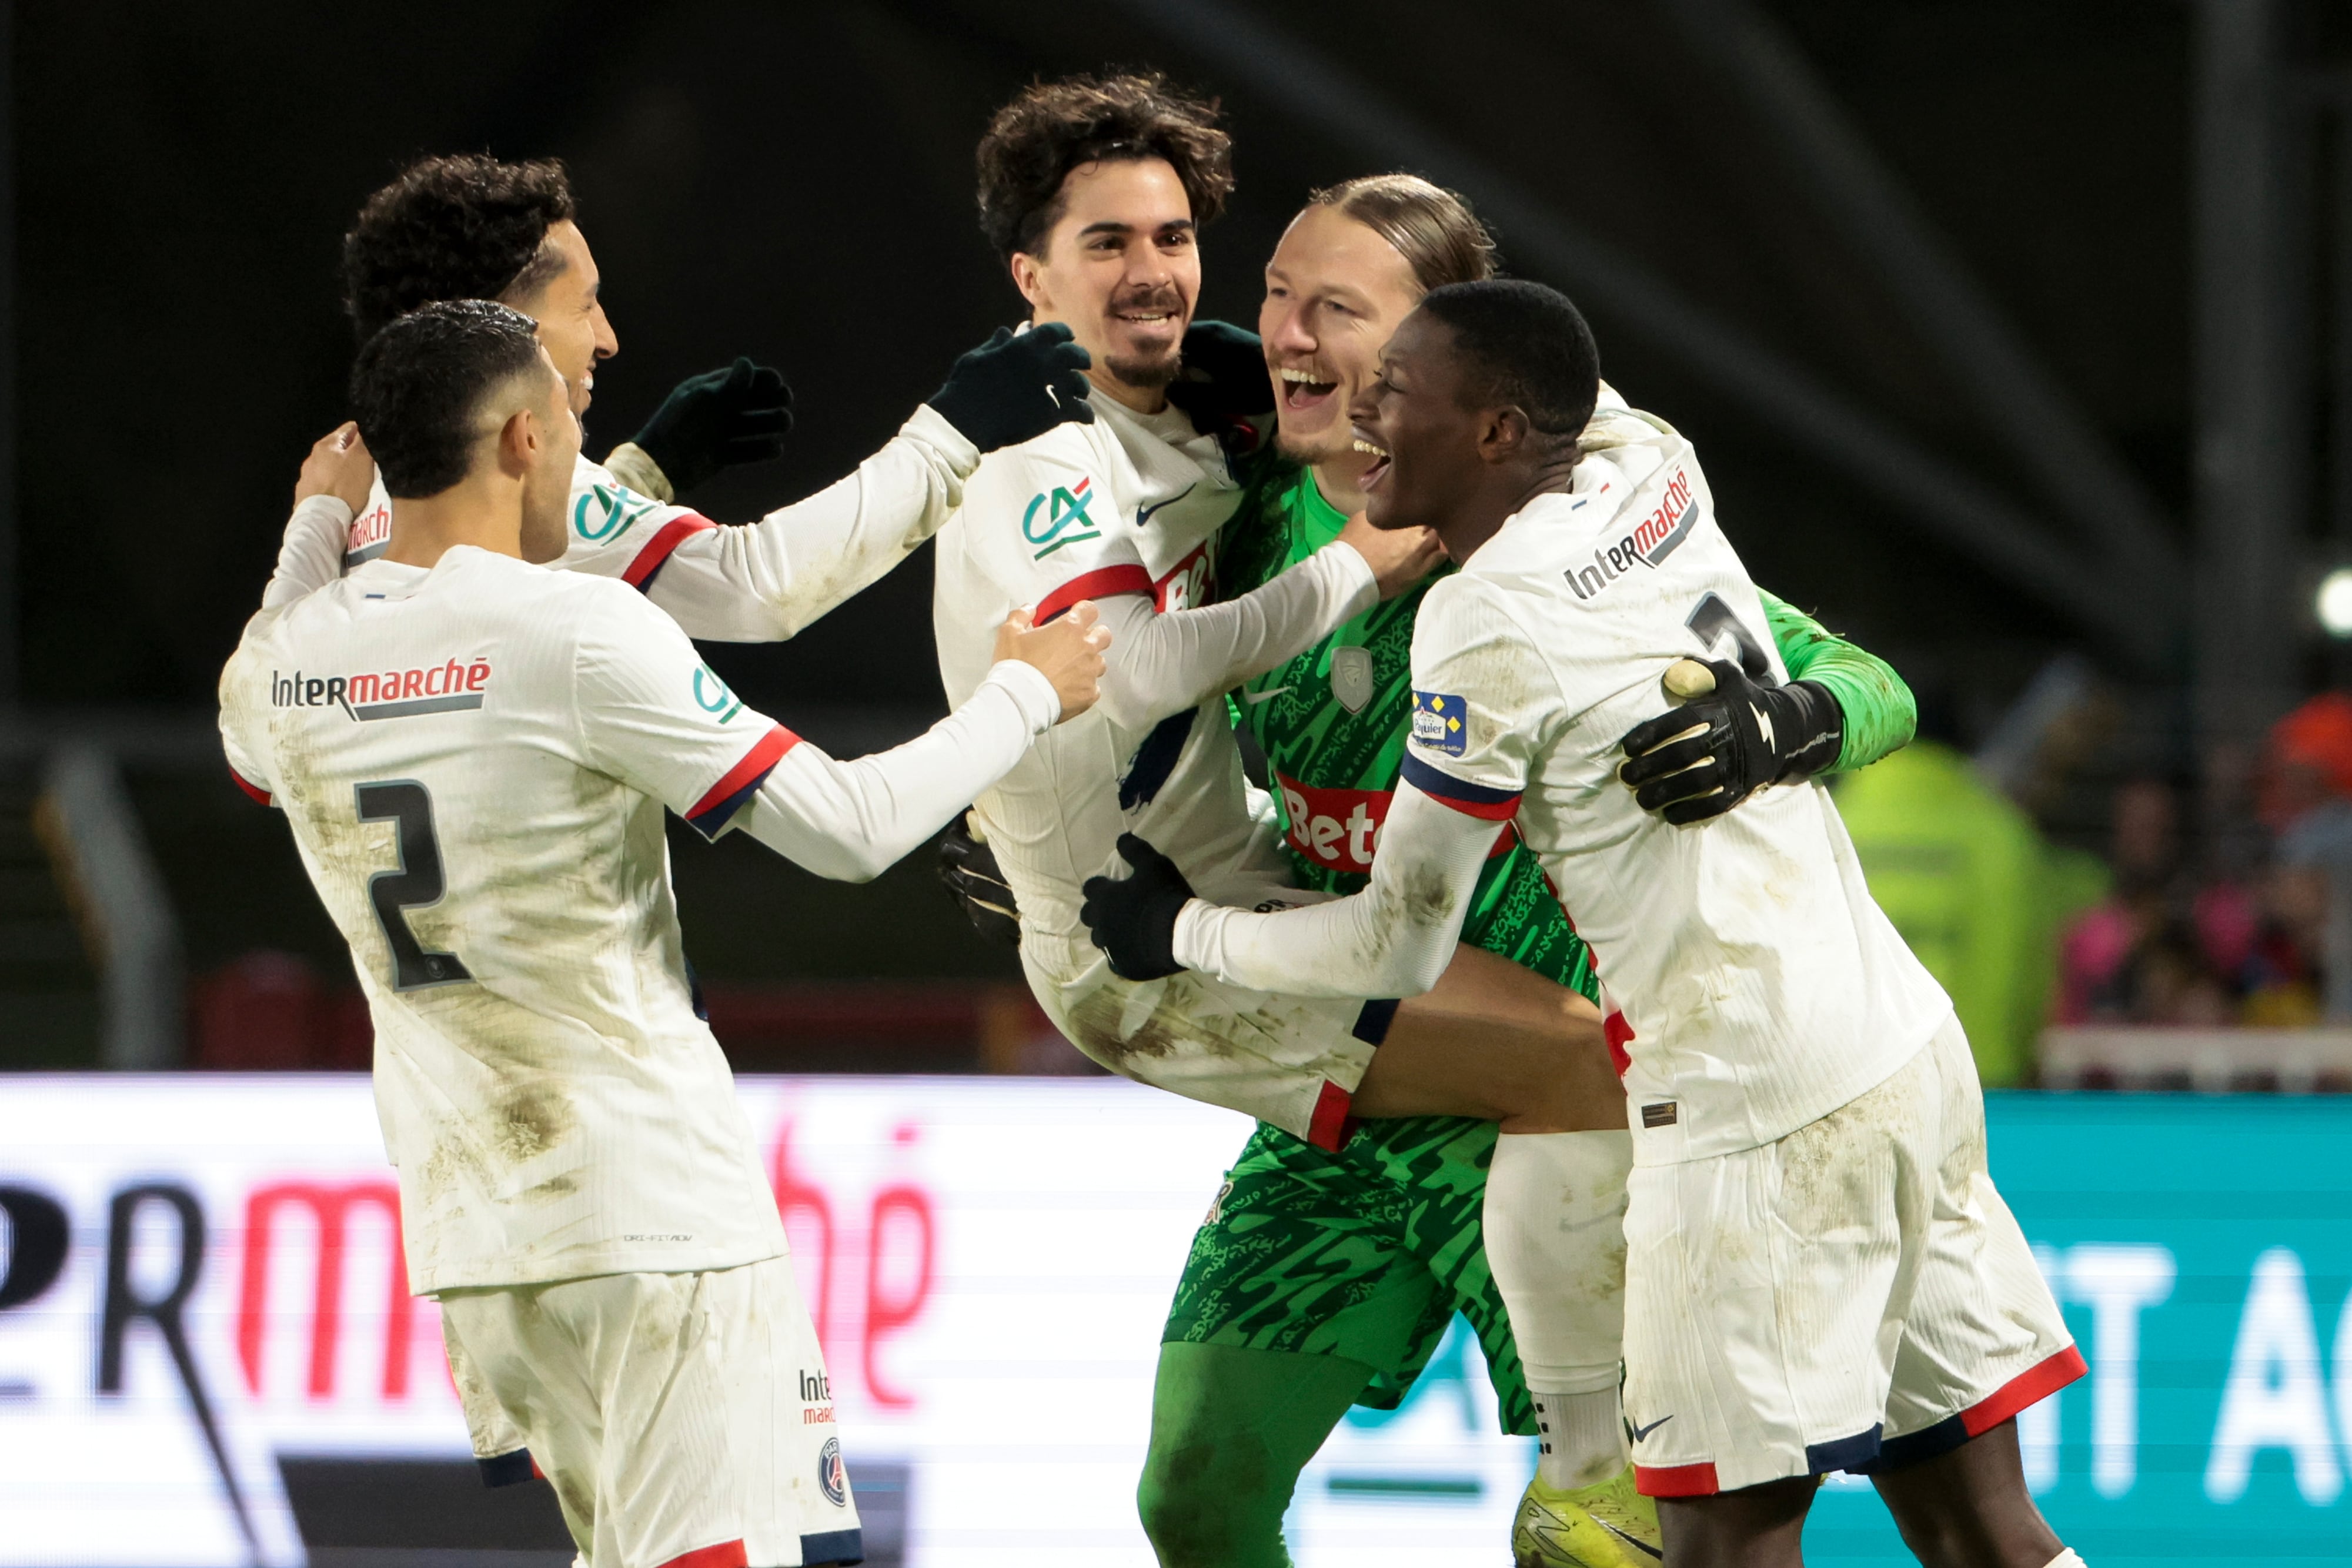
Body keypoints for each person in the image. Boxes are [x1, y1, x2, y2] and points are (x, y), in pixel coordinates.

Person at [1081, 279, 2084, 1568]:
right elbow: (1573, 383)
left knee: (1704, 1546)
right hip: (1896, 1052)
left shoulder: (1479, 617)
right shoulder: (1652, 464)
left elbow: (1396, 946)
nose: (1367, 419)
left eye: (1399, 388)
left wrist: (1185, 932)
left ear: (1497, 428)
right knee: (1985, 1531)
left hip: (1739, 1110)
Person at [220, 300, 1108, 1568]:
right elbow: (850, 826)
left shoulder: (282, 666)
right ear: (525, 437)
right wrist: (1030, 687)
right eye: (577, 427)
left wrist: (318, 515)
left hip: (477, 1241)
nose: (592, 453)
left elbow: (272, 674)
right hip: (651, 1213)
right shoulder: (573, 633)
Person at [928, 79, 1658, 1562]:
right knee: (1192, 1498)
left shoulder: (1559, 517)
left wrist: (1807, 718)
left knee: (1637, 1518)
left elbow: (1839, 664)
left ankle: (1612, 1464)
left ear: (1453, 347)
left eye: (1333, 305)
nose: (1280, 329)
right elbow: (1127, 649)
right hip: (1324, 1011)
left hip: (1513, 1058)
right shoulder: (1228, 477)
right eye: (1275, 294)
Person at [272, 152, 1094, 636]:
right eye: (584, 303)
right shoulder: (497, 486)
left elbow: (520, 572)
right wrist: (951, 432)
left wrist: (640, 473)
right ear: (501, 327)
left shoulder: (357, 490)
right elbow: (756, 587)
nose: (607, 337)